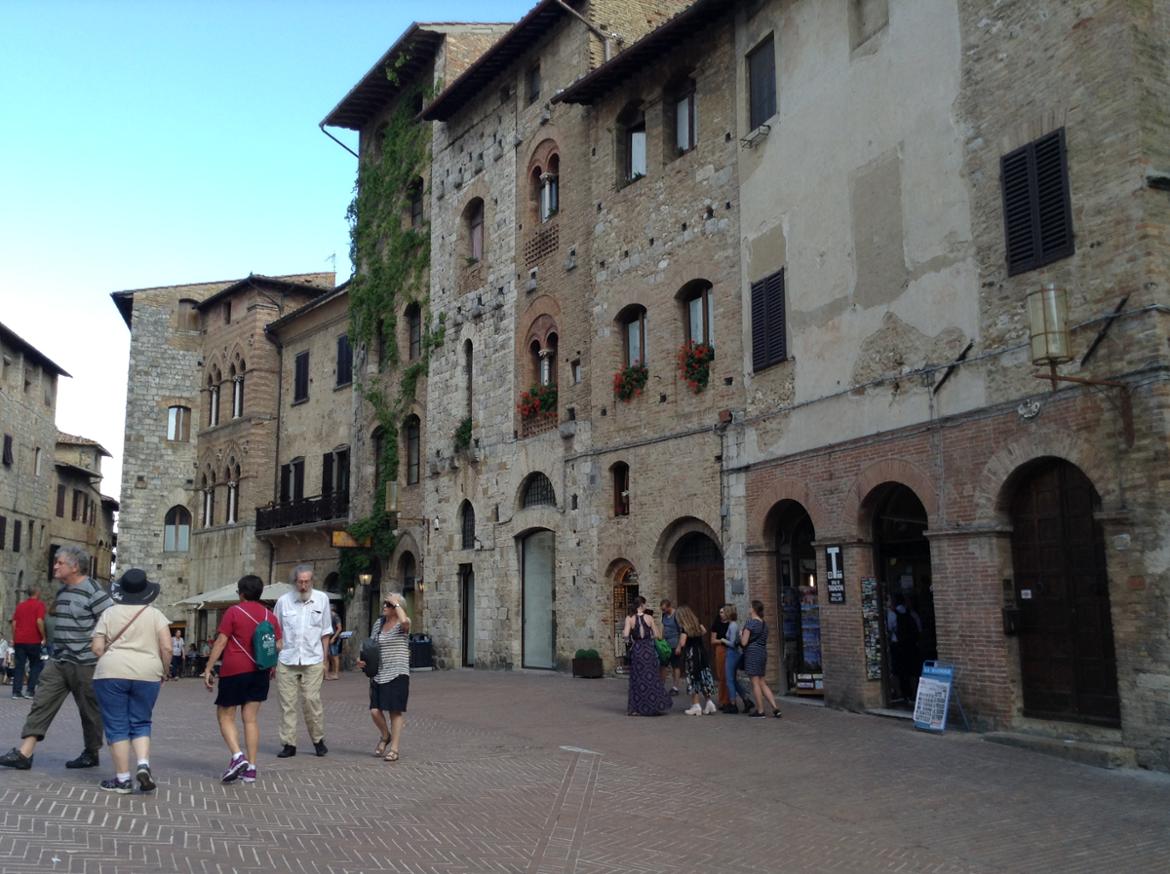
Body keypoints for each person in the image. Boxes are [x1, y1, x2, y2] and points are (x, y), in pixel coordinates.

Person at [0, 545, 112, 770]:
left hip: (85, 663)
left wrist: (98, 649)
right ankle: (25, 753)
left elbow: (111, 621)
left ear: (75, 566)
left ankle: (91, 752)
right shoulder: (63, 591)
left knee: (89, 711)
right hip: (58, 661)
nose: (55, 566)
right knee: (41, 702)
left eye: (60, 563)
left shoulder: (94, 592)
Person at [90, 568, 171, 794]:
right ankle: (143, 764)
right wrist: (164, 671)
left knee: (117, 725)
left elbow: (96, 648)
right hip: (148, 673)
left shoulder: (109, 613)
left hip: (111, 673)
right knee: (141, 721)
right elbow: (166, 647)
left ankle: (123, 779)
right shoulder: (155, 615)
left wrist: (111, 655)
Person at [201, 575, 283, 784]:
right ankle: (251, 769)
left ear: (242, 593)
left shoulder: (234, 612)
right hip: (260, 671)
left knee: (225, 715)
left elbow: (221, 641)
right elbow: (279, 644)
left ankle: (238, 756)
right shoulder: (270, 615)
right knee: (250, 719)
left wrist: (209, 668)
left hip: (235, 671)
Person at [272, 564, 332, 758]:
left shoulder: (322, 599)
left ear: (312, 581)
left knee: (311, 701)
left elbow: (325, 632)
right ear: (294, 582)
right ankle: (289, 744)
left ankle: (318, 740)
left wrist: (325, 660)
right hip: (287, 659)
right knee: (287, 704)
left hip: (313, 659)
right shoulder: (283, 601)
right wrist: (276, 653)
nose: (303, 586)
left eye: (307, 582)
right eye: (300, 582)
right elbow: (276, 630)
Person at [358, 594, 411, 761]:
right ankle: (385, 735)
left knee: (395, 711)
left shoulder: (403, 623)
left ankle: (394, 749)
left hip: (398, 672)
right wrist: (362, 660)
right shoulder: (379, 623)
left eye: (389, 604)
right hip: (380, 673)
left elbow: (405, 622)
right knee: (374, 711)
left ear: (397, 607)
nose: (385, 606)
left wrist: (396, 603)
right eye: (385, 603)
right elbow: (370, 645)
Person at [621, 597, 671, 716]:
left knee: (637, 678)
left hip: (637, 650)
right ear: (642, 605)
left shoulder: (629, 618)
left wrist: (628, 637)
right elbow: (658, 635)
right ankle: (654, 705)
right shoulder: (649, 618)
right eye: (645, 604)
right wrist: (649, 637)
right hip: (648, 649)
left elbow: (626, 635)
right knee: (652, 677)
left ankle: (636, 708)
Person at [741, 599, 781, 719]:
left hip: (752, 653)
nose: (749, 609)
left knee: (755, 682)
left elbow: (744, 642)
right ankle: (775, 707)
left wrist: (741, 635)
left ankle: (760, 710)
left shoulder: (750, 623)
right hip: (762, 652)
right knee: (762, 681)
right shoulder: (764, 624)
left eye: (750, 607)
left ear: (753, 609)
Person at [675, 605, 717, 715]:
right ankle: (709, 702)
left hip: (692, 654)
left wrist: (680, 644)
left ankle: (696, 705)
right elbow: (704, 631)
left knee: (693, 677)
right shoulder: (697, 624)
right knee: (704, 676)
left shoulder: (685, 628)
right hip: (701, 652)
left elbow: (683, 643)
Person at [9, 589, 47, 699]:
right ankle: (30, 691)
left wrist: (14, 637)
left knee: (19, 665)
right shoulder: (39, 605)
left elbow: (14, 623)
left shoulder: (20, 606)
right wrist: (43, 636)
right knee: (35, 665)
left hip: (19, 640)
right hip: (33, 639)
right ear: (37, 593)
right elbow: (39, 621)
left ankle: (16, 691)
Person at [717, 603, 755, 714]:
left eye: (724, 612)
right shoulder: (732, 625)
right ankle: (746, 700)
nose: (722, 614)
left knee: (729, 679)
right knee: (733, 680)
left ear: (728, 613)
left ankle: (733, 705)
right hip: (732, 653)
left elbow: (732, 643)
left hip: (732, 654)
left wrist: (723, 640)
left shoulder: (732, 626)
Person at [709, 606, 731, 711]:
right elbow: (712, 640)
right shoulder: (716, 624)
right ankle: (723, 700)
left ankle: (730, 699)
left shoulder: (731, 624)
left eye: (723, 612)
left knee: (730, 676)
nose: (721, 614)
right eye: (720, 612)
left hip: (731, 650)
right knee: (722, 675)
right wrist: (722, 640)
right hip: (721, 649)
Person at [659, 599, 682, 695]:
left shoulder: (676, 615)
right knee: (663, 665)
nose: (663, 611)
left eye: (664, 609)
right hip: (666, 644)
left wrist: (679, 646)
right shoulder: (664, 615)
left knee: (675, 665)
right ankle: (661, 685)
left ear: (669, 607)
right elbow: (663, 627)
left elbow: (681, 631)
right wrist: (661, 639)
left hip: (674, 643)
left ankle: (675, 687)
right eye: (662, 609)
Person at [326, 607, 343, 680]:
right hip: (328, 638)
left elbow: (339, 628)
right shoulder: (326, 616)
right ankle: (327, 674)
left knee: (334, 656)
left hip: (334, 638)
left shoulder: (335, 616)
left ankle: (336, 674)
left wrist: (333, 638)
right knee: (327, 656)